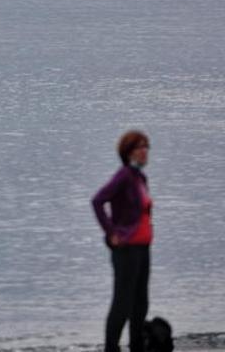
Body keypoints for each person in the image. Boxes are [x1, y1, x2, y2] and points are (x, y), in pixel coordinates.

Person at [92, 130, 153, 352]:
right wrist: (111, 232)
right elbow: (98, 201)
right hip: (126, 249)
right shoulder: (125, 175)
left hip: (143, 247)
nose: (145, 151)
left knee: (140, 303)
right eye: (140, 147)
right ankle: (111, 348)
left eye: (147, 147)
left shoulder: (140, 178)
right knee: (123, 303)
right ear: (128, 152)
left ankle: (137, 346)